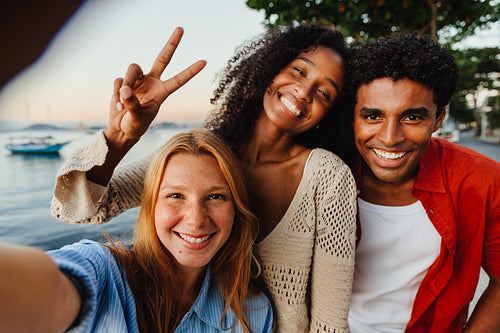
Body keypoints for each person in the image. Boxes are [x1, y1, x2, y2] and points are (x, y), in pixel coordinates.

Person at [51, 25, 357, 332]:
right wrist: (119, 140)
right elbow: (81, 210)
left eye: (323, 92)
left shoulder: (328, 176)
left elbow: (329, 321)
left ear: (329, 113)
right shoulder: (201, 155)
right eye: (300, 71)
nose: (304, 92)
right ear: (271, 68)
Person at [1, 129, 273, 332]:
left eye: (216, 197)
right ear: (151, 204)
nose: (196, 219)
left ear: (236, 208)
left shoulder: (253, 313)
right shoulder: (104, 275)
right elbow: (51, 290)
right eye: (175, 195)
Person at [346, 32, 500, 332]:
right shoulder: (321, 173)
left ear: (438, 118)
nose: (390, 138)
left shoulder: (481, 180)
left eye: (412, 117)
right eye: (373, 116)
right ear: (352, 117)